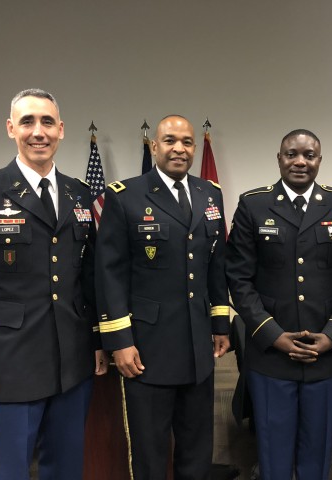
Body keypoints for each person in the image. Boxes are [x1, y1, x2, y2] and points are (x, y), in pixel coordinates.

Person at [0, 88, 107, 479]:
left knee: (67, 469)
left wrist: (98, 340)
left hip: (72, 363)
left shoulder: (79, 194)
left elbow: (88, 278)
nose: (39, 132)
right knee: (9, 471)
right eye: (28, 121)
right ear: (10, 128)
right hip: (9, 367)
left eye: (47, 122)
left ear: (61, 130)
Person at [226, 129, 332, 480]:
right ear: (279, 159)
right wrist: (272, 334)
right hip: (271, 352)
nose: (300, 161)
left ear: (319, 160)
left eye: (309, 155)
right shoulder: (254, 204)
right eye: (291, 154)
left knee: (317, 449)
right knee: (273, 450)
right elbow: (239, 278)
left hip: (324, 351)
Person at [95, 115, 231, 480]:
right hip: (147, 347)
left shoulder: (209, 193)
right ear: (154, 147)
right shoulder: (125, 196)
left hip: (197, 344)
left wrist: (220, 322)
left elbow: (215, 264)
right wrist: (120, 341)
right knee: (151, 451)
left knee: (197, 445)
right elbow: (109, 273)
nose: (179, 149)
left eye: (187, 142)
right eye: (170, 141)